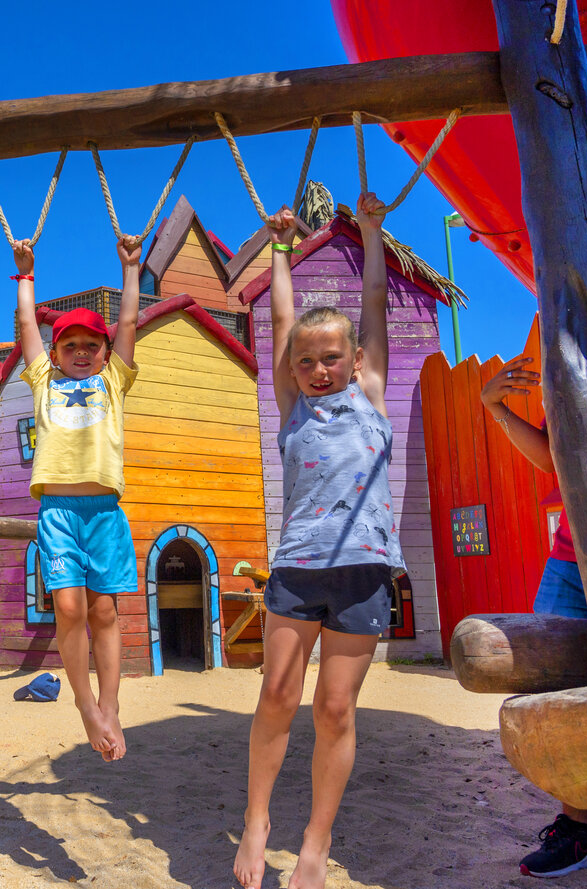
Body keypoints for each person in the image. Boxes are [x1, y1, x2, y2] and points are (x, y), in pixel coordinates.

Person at [234, 193, 404, 889]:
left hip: (363, 573)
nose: (319, 369)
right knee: (277, 690)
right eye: (307, 361)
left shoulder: (370, 393)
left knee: (335, 708)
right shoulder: (294, 411)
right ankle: (256, 819)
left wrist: (369, 234)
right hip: (299, 569)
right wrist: (278, 249)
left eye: (332, 357)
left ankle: (315, 840)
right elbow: (279, 322)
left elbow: (372, 308)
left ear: (355, 359)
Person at [13, 234, 141, 762]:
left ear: (106, 352)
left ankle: (110, 705)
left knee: (105, 612)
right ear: (57, 354)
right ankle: (86, 705)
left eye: (91, 345)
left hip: (104, 512)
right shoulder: (43, 381)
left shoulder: (114, 382)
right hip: (59, 512)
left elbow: (130, 324)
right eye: (71, 346)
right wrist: (25, 276)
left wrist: (130, 269)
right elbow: (27, 329)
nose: (82, 353)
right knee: (68, 606)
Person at [480, 356, 587, 878]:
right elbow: (556, 458)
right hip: (572, 558)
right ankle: (578, 828)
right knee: (553, 694)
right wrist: (495, 407)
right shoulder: (581, 350)